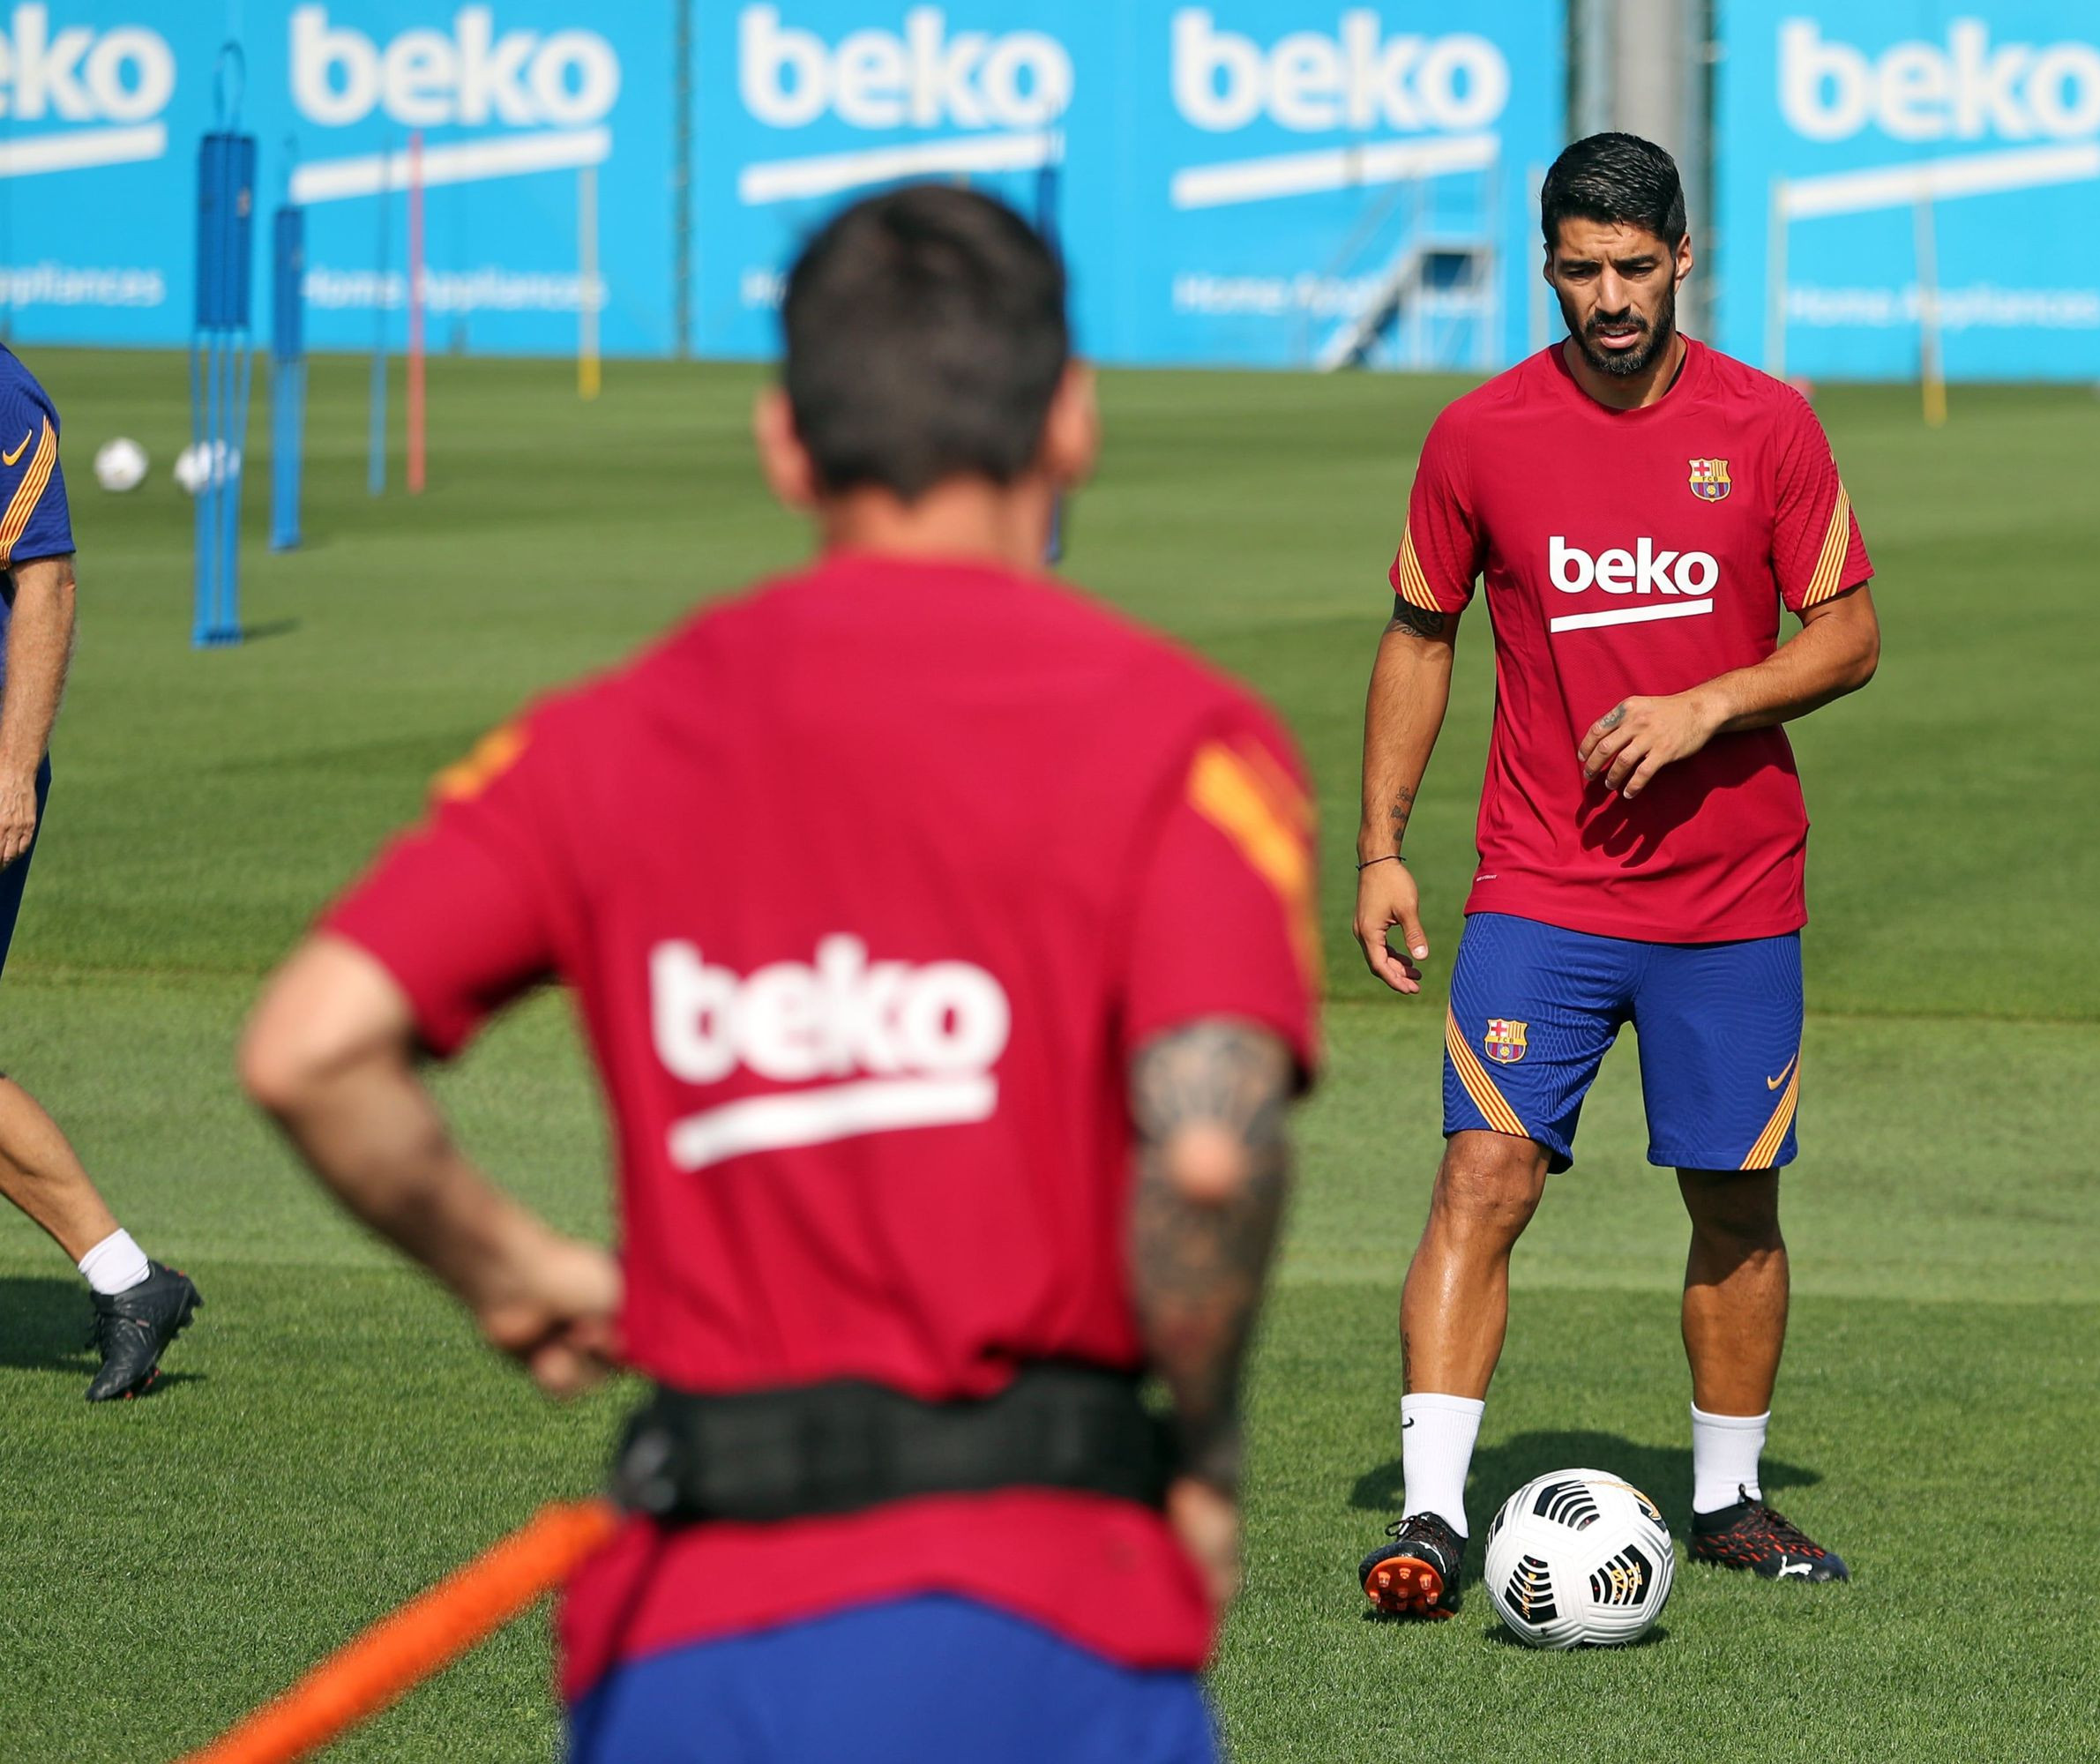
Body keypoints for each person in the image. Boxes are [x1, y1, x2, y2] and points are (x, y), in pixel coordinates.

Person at [239, 184, 1317, 1761]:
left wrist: (512, 1271)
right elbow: (1209, 1160)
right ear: (1070, 419)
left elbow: (308, 1048)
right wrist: (1206, 1461)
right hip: (1043, 1630)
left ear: (785, 446)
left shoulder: (605, 741)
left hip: (697, 1645)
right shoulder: (1183, 741)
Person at [1351, 133, 1879, 1616]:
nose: (1609, 297)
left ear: (1683, 258)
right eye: (1580, 270)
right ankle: (1433, 1522)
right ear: (1548, 267)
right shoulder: (1478, 435)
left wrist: (1712, 703)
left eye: (1634, 268)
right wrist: (1383, 848)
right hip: (1541, 887)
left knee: (1733, 1196)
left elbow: (1848, 633)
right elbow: (1419, 632)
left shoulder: (1769, 426)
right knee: (1484, 1171)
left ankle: (1727, 1502)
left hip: (1729, 898)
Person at [0, 348, 200, 1401]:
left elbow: (48, 577)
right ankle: (132, 1281)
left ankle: (129, 1279)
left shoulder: (1, 393)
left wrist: (13, 767)